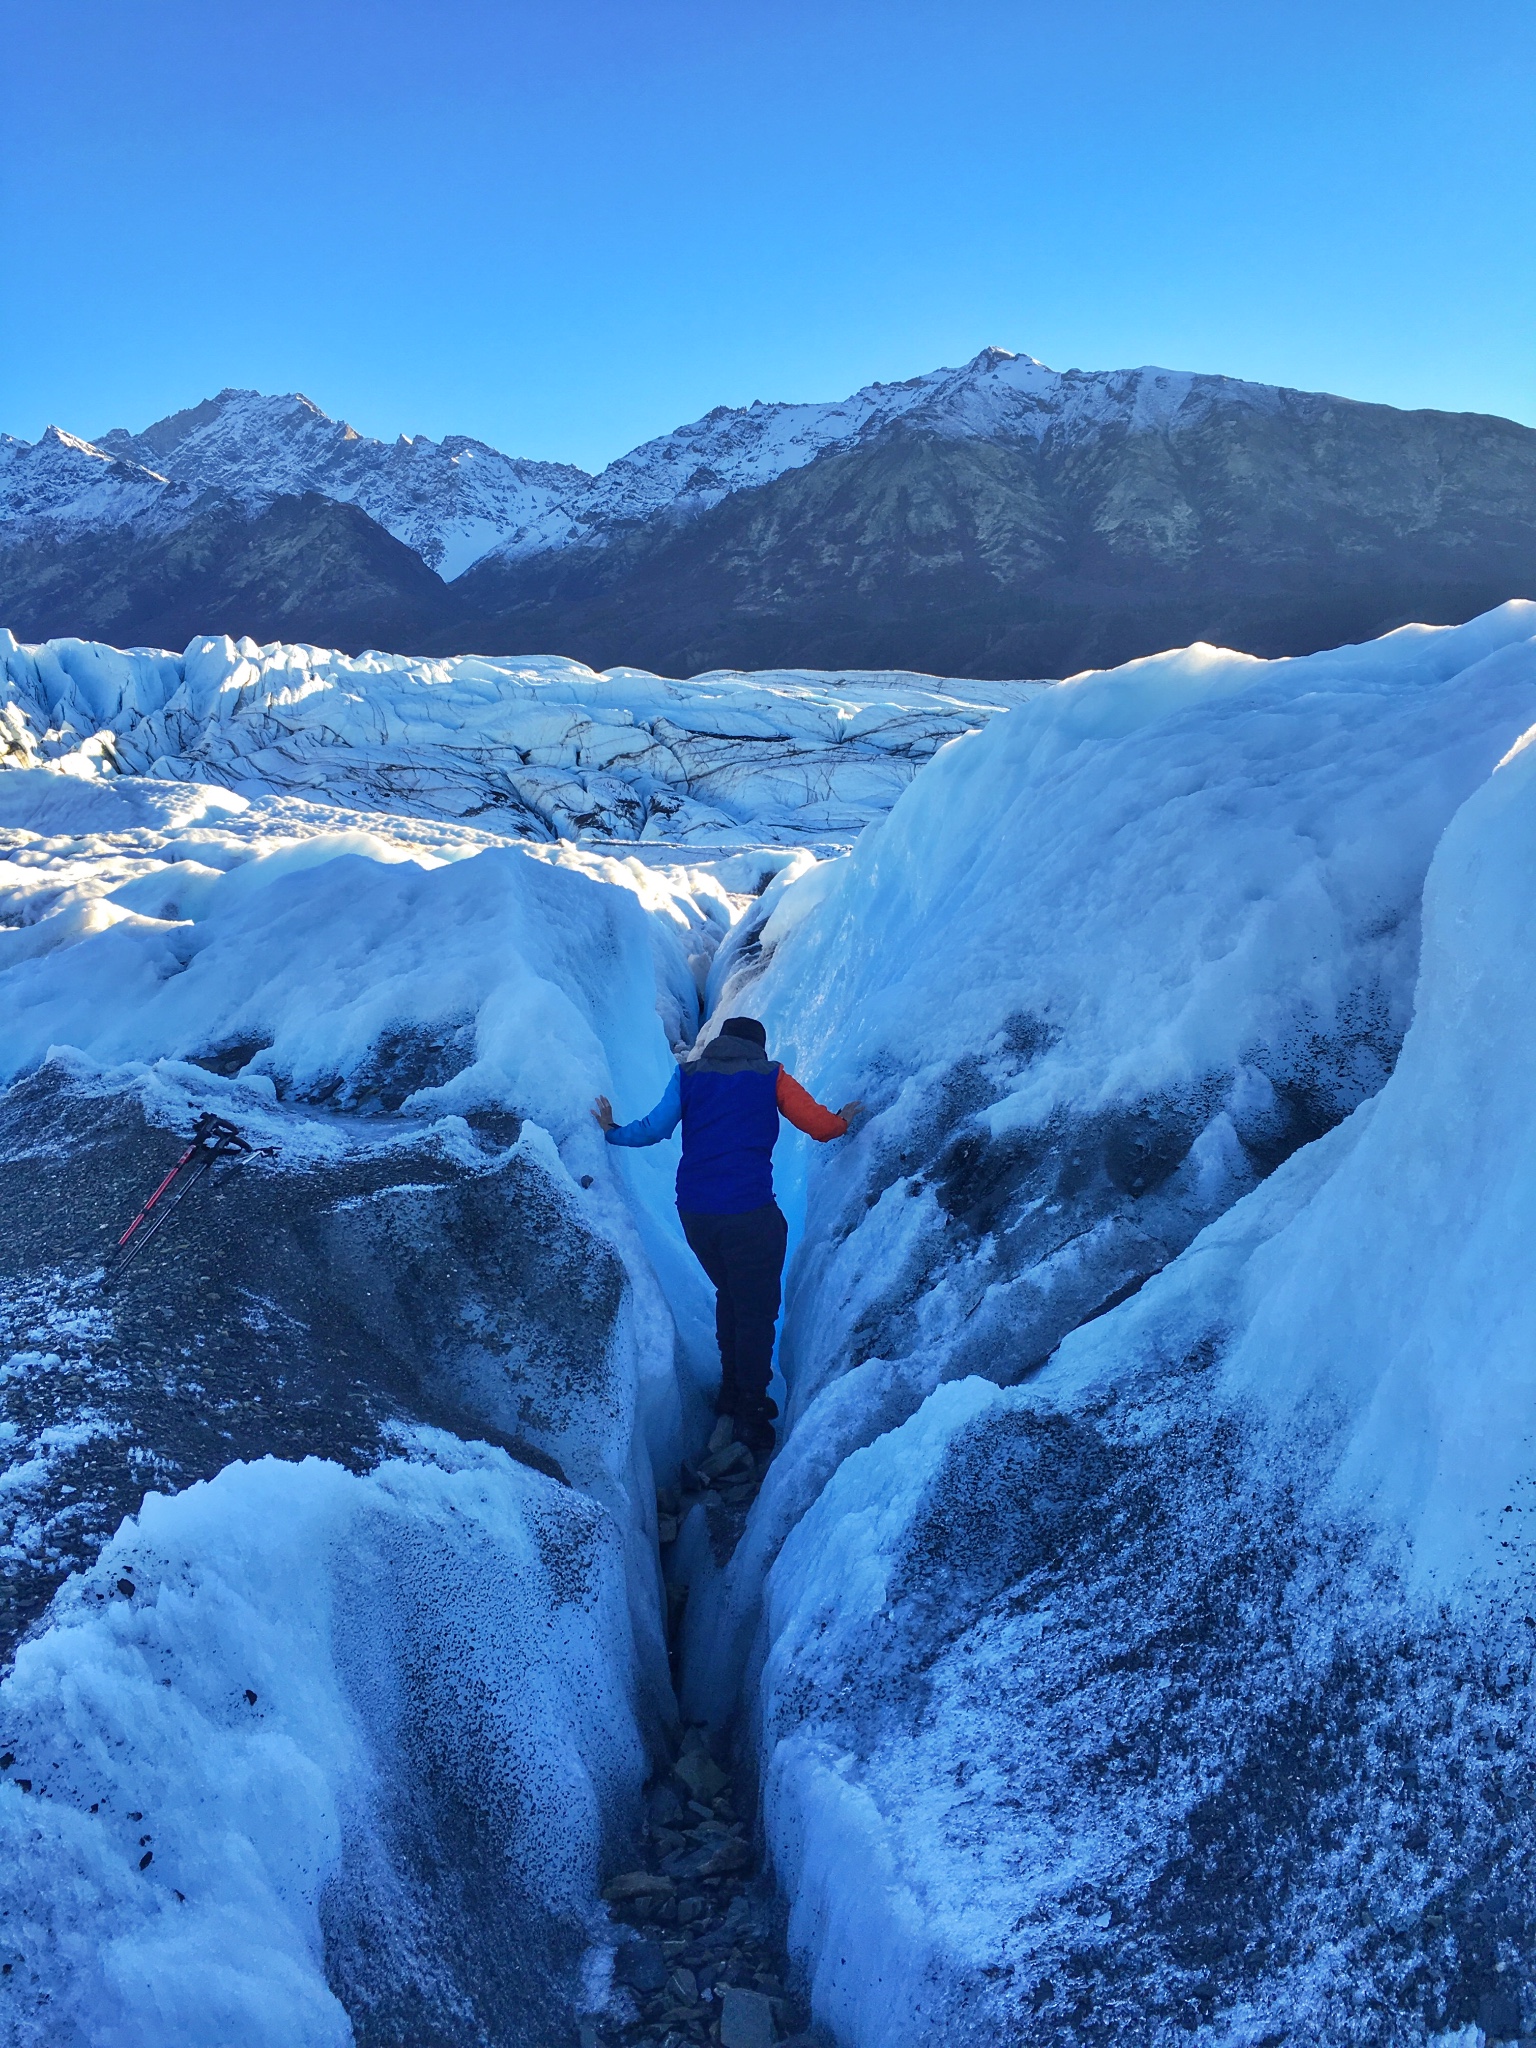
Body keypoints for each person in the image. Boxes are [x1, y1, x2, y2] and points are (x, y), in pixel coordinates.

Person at [593, 1017, 862, 1455]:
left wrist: (611, 1132)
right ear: (757, 1045)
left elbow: (654, 1128)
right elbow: (820, 1126)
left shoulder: (689, 1076)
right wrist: (843, 1121)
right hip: (749, 1213)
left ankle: (730, 1389)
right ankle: (751, 1410)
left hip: (696, 1214)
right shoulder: (770, 1076)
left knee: (730, 1295)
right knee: (756, 1310)